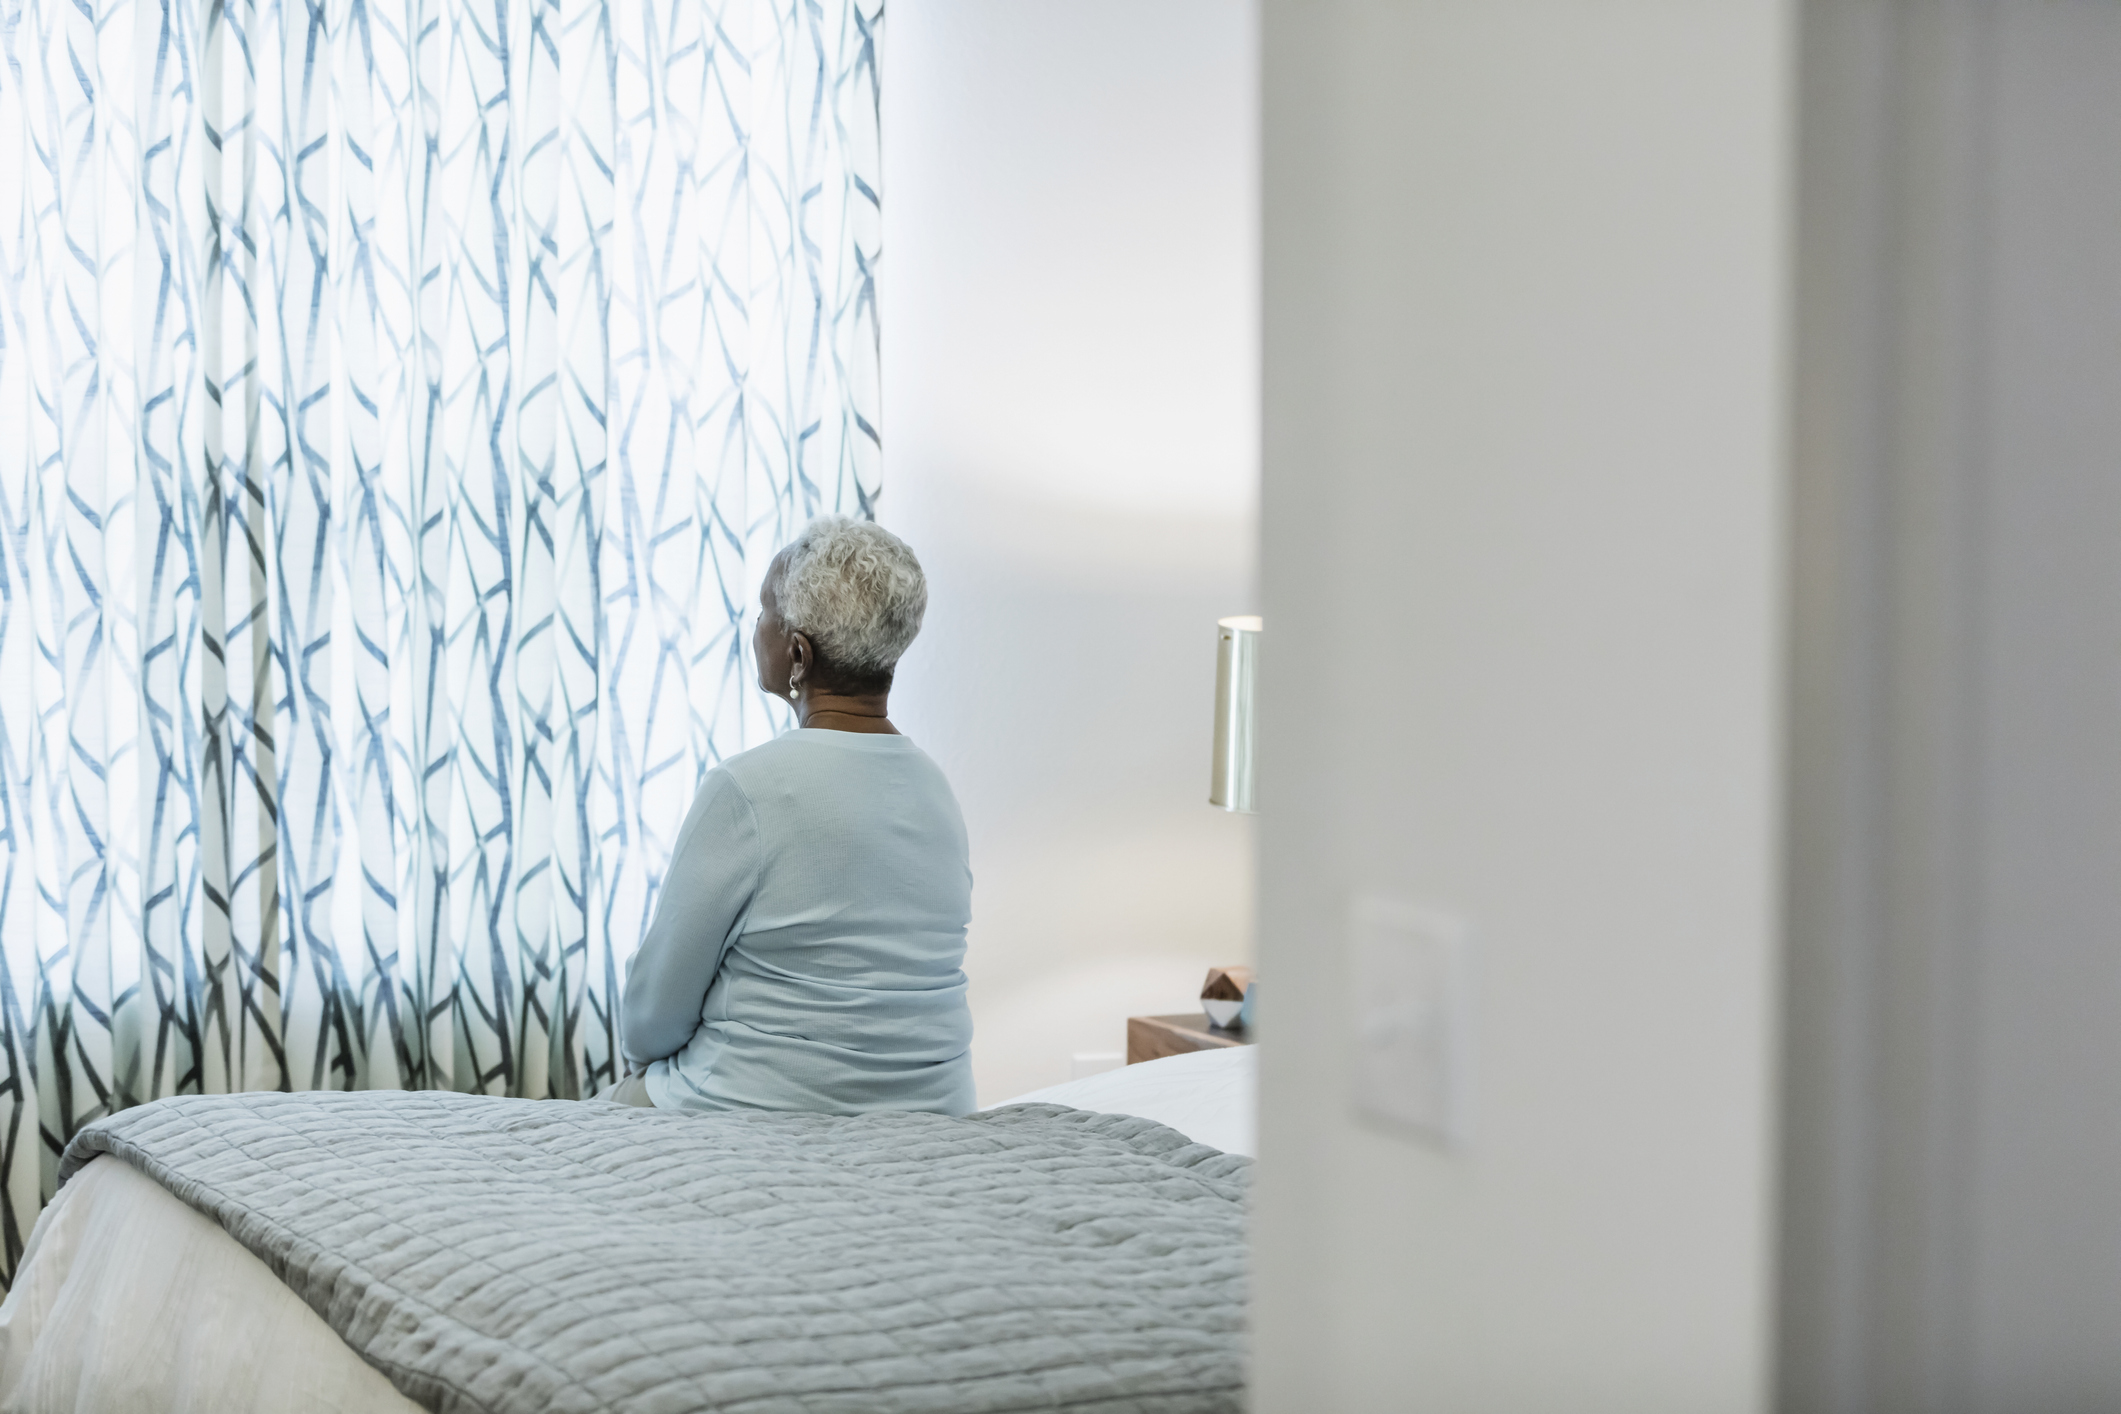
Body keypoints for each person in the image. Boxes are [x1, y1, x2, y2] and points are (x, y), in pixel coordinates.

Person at [603, 516, 975, 1114]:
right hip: (935, 1115)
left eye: (763, 613)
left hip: (748, 1110)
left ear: (798, 653)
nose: (756, 628)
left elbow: (651, 1020)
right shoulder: (937, 791)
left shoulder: (745, 790)